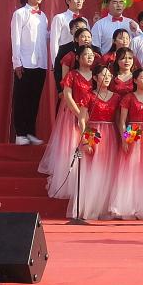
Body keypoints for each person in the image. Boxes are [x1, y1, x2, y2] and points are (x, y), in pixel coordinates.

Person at [39, 45, 96, 198]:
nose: (90, 57)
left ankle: (87, 186)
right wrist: (79, 114)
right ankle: (70, 185)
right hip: (73, 115)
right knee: (72, 147)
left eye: (91, 55)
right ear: (78, 58)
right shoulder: (72, 75)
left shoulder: (97, 75)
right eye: (86, 55)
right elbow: (67, 96)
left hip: (92, 116)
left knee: (90, 148)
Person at [68, 65, 119, 221]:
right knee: (93, 170)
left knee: (108, 171)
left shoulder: (116, 97)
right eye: (103, 75)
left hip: (110, 135)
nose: (107, 78)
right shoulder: (89, 96)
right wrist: (86, 140)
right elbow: (82, 119)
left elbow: (119, 120)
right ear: (95, 78)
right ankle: (89, 208)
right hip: (93, 132)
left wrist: (125, 137)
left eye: (109, 75)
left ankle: (104, 207)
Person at [109, 69, 143, 220]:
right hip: (133, 132)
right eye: (142, 78)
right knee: (130, 169)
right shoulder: (128, 98)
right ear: (135, 80)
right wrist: (124, 139)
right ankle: (128, 206)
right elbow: (122, 121)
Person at [11, 0, 50, 145]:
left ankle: (30, 132)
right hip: (25, 63)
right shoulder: (20, 14)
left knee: (34, 100)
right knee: (21, 99)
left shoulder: (43, 16)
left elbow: (46, 36)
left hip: (40, 64)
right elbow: (15, 39)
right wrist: (17, 62)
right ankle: (20, 134)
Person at [49, 0, 86, 65]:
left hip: (80, 59)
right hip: (63, 58)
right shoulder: (59, 18)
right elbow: (54, 42)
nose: (79, 1)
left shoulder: (85, 20)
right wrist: (55, 62)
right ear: (68, 1)